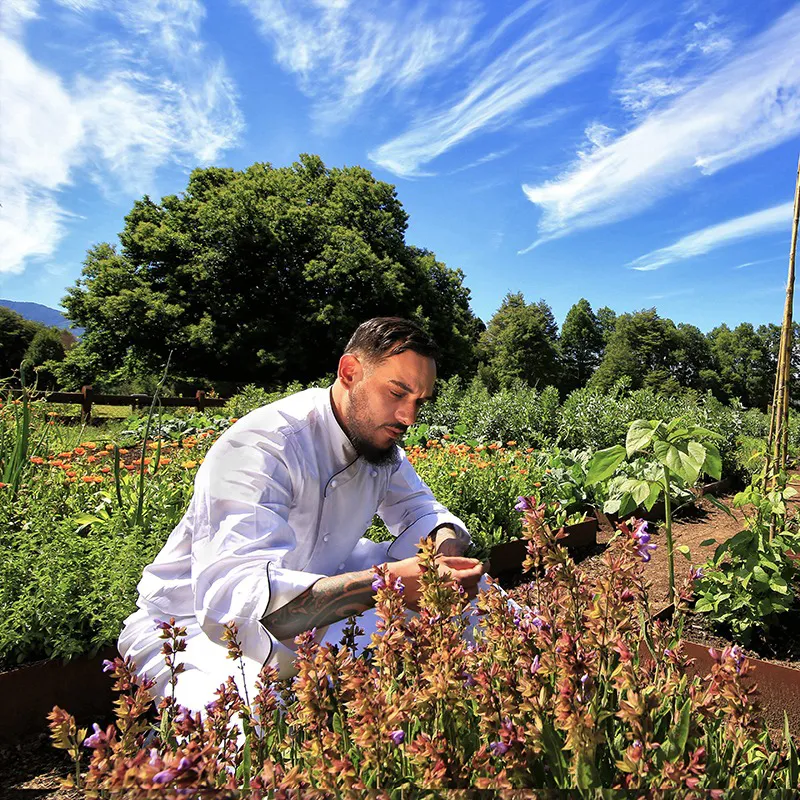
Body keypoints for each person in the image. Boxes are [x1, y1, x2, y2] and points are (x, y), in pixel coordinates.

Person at [118, 317, 487, 711]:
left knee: (480, 603)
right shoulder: (263, 445)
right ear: (350, 372)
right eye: (397, 393)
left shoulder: (377, 444)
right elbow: (236, 605)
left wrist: (443, 551)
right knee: (246, 725)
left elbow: (420, 509)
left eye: (419, 402)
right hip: (190, 631)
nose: (408, 418)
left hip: (318, 611)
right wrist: (388, 583)